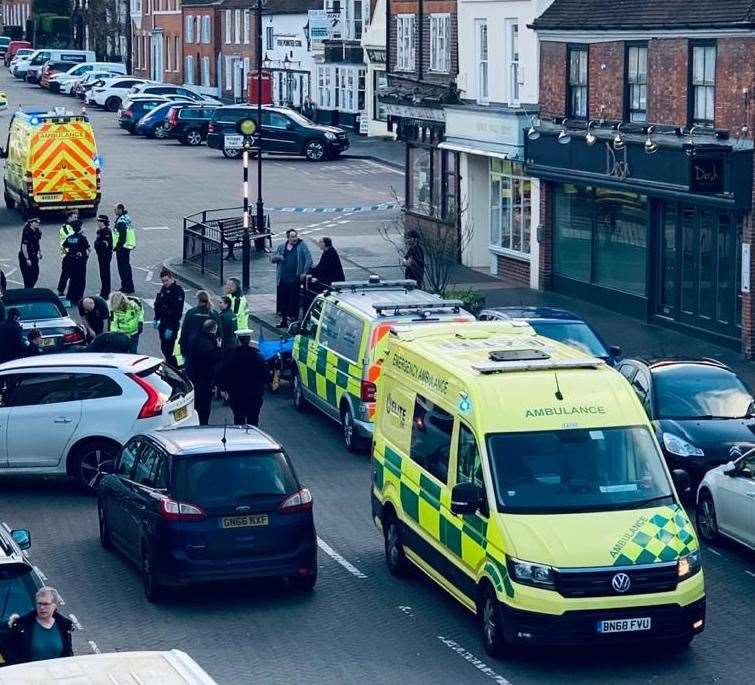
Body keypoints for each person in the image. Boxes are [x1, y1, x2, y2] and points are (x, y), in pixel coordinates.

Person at [5, 587, 74, 665]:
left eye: (46, 604)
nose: (41, 607)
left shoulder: (64, 626)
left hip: (56, 675)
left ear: (54, 606)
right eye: (39, 603)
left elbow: (68, 655)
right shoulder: (21, 626)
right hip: (28, 675)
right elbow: (11, 656)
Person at [219, 329, 269, 426]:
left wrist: (223, 388)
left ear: (238, 339)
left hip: (236, 395)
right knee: (253, 420)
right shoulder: (257, 356)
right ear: (249, 339)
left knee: (238, 419)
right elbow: (266, 375)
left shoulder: (231, 356)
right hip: (254, 394)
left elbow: (223, 373)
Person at [271, 229, 312, 328]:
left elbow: (309, 259)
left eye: (295, 236)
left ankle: (295, 321)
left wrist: (304, 272)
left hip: (295, 279)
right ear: (288, 238)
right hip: (283, 279)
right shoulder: (282, 247)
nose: (295, 238)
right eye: (292, 237)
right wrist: (278, 257)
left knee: (294, 301)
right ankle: (284, 321)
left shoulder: (302, 246)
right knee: (283, 301)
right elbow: (272, 258)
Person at [188, 319, 222, 425]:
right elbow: (214, 359)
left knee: (195, 403)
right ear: (214, 330)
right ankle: (203, 424)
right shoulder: (209, 344)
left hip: (193, 375)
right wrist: (219, 348)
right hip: (205, 378)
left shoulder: (195, 339)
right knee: (204, 406)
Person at [179, 290, 219, 369]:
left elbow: (184, 332)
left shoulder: (191, 313)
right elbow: (219, 333)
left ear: (198, 300)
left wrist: (183, 350)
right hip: (209, 349)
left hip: (192, 348)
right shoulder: (213, 314)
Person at [154, 268, 185, 368]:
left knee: (169, 348)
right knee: (164, 347)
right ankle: (170, 365)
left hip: (171, 325)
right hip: (163, 323)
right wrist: (156, 318)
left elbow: (177, 311)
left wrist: (171, 328)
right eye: (163, 281)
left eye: (166, 280)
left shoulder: (178, 291)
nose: (165, 283)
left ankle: (173, 367)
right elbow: (158, 304)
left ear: (171, 278)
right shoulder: (164, 289)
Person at [62, 220, 90, 306]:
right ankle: (79, 297)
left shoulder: (70, 238)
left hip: (71, 260)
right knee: (81, 279)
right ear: (80, 228)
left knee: (73, 279)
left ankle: (71, 296)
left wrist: (68, 254)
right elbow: (88, 249)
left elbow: (64, 246)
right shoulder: (82, 238)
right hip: (80, 262)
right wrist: (86, 257)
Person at [113, 203, 136, 294]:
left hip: (122, 247)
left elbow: (122, 236)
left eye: (115, 209)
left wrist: (117, 246)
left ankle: (126, 287)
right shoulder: (126, 217)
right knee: (126, 267)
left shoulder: (121, 221)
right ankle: (129, 286)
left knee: (123, 268)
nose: (114, 211)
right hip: (127, 246)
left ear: (120, 209)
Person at [56, 210, 78, 297]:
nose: (76, 219)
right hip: (67, 254)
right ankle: (60, 290)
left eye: (77, 217)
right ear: (69, 218)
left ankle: (72, 291)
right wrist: (78, 235)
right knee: (65, 274)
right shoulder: (65, 228)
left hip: (75, 254)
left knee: (74, 274)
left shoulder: (76, 227)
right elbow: (69, 239)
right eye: (74, 217)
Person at [18, 217, 42, 288]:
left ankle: (30, 289)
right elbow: (24, 246)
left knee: (35, 274)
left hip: (34, 256)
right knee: (27, 277)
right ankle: (28, 291)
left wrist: (39, 251)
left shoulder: (37, 231)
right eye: (36, 222)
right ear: (31, 223)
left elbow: (37, 242)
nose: (38, 224)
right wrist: (27, 259)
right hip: (25, 256)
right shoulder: (27, 231)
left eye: (38, 222)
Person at [94, 214, 113, 299]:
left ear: (102, 222)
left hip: (105, 255)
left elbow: (104, 244)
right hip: (100, 255)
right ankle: (103, 291)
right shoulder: (99, 231)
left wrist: (98, 244)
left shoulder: (107, 232)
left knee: (105, 274)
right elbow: (97, 243)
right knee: (103, 274)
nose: (97, 222)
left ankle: (105, 293)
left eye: (98, 221)